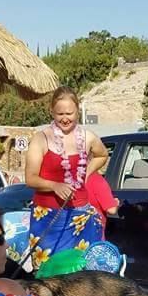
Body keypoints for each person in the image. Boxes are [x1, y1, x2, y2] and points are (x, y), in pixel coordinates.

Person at [24, 86, 109, 269]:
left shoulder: (88, 137)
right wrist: (54, 186)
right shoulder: (41, 139)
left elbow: (102, 155)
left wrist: (86, 173)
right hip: (48, 217)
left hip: (80, 215)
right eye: (59, 113)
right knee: (49, 272)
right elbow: (30, 178)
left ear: (77, 111)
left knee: (82, 271)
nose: (65, 118)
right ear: (51, 112)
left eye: (69, 113)